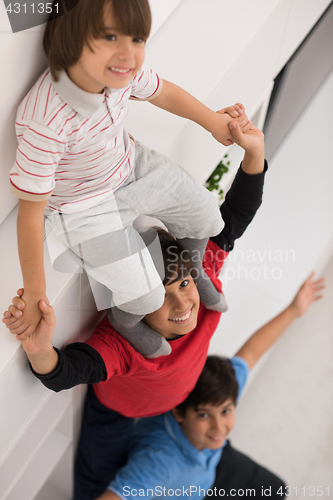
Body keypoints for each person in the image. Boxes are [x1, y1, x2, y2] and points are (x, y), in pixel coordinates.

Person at [4, 121, 266, 500]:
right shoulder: (121, 342)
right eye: (157, 298)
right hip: (116, 414)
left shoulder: (198, 277)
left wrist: (254, 153)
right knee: (93, 484)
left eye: (183, 285)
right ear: (134, 306)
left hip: (169, 408)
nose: (181, 303)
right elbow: (66, 372)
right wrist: (38, 348)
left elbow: (235, 218)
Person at [8, 0, 251, 359]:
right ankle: (126, 321)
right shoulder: (46, 118)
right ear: (70, 38)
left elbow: (163, 91)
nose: (130, 54)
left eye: (137, 39)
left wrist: (213, 122)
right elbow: (30, 215)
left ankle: (194, 268)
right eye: (111, 37)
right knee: (147, 296)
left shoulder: (120, 72)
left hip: (130, 166)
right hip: (83, 211)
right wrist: (34, 294)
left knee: (206, 216)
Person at [96, 272, 325, 500]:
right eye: (204, 415)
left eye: (226, 411)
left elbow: (252, 352)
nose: (219, 427)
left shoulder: (222, 389)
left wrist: (294, 310)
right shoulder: (159, 463)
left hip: (211, 462)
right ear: (179, 413)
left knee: (276, 489)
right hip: (186, 484)